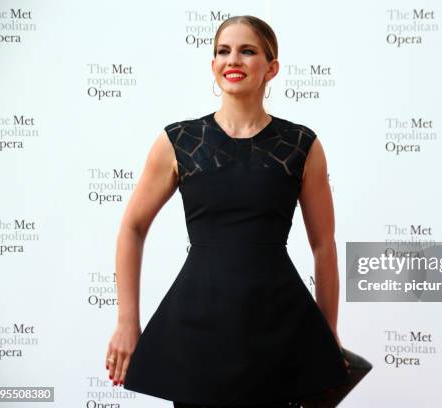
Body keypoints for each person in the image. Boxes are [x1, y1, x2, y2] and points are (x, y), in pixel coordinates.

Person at [104, 15, 357, 407]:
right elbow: (132, 228)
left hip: (280, 330)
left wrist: (328, 335)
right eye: (223, 51)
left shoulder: (302, 144)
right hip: (196, 329)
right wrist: (126, 323)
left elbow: (324, 245)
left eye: (247, 51)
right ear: (213, 65)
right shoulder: (179, 141)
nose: (232, 60)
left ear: (271, 68)